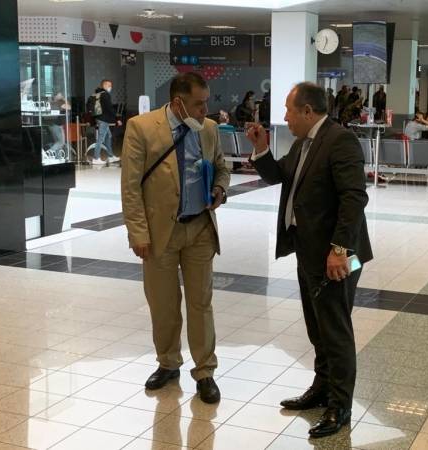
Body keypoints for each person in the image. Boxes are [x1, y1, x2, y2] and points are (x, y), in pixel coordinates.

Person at [246, 82, 372, 438]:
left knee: (335, 330)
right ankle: (322, 388)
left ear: (307, 111)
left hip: (338, 256)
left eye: (289, 111)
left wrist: (339, 249)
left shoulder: (340, 140)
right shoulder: (303, 143)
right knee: (318, 328)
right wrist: (261, 148)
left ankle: (340, 406)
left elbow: (354, 198)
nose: (285, 117)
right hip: (309, 251)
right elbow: (279, 175)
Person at [121, 72, 230, 403]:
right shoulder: (141, 128)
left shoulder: (208, 129)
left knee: (201, 303)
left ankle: (205, 371)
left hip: (199, 229)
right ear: (178, 103)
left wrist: (219, 188)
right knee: (163, 304)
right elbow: (130, 186)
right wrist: (138, 232)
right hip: (159, 234)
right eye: (198, 104)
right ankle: (168, 363)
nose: (204, 110)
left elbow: (222, 167)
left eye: (206, 103)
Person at [92, 79, 121, 165]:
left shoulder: (98, 94)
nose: (110, 87)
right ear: (104, 85)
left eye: (111, 85)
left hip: (100, 118)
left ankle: (110, 156)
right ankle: (96, 158)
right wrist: (117, 118)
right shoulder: (105, 95)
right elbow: (109, 108)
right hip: (104, 119)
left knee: (108, 136)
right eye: (109, 85)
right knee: (101, 139)